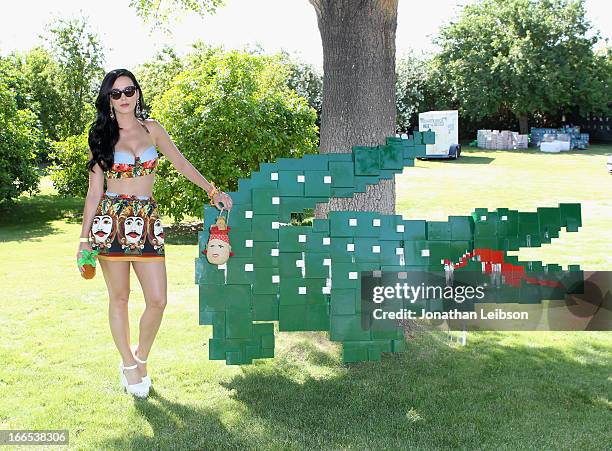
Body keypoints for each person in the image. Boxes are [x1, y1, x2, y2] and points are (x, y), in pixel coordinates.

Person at [76, 68, 233, 399]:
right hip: (111, 222)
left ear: (137, 93)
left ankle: (141, 357)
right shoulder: (100, 135)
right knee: (119, 298)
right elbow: (94, 192)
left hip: (146, 220)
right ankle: (128, 364)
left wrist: (211, 190)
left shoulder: (153, 129)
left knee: (158, 300)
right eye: (115, 94)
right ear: (107, 99)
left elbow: (181, 162)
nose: (123, 98)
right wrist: (83, 238)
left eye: (128, 91)